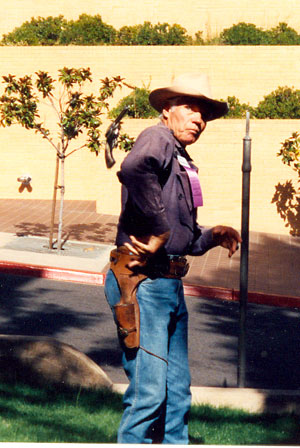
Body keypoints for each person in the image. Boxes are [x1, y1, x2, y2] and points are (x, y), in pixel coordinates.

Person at [104, 73, 242, 444]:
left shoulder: (180, 156)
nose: (199, 119)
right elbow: (132, 170)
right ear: (167, 110)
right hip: (142, 282)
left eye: (204, 114)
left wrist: (213, 236)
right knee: (149, 393)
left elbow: (183, 239)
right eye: (191, 108)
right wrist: (159, 229)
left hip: (168, 282)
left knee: (177, 392)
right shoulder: (156, 137)